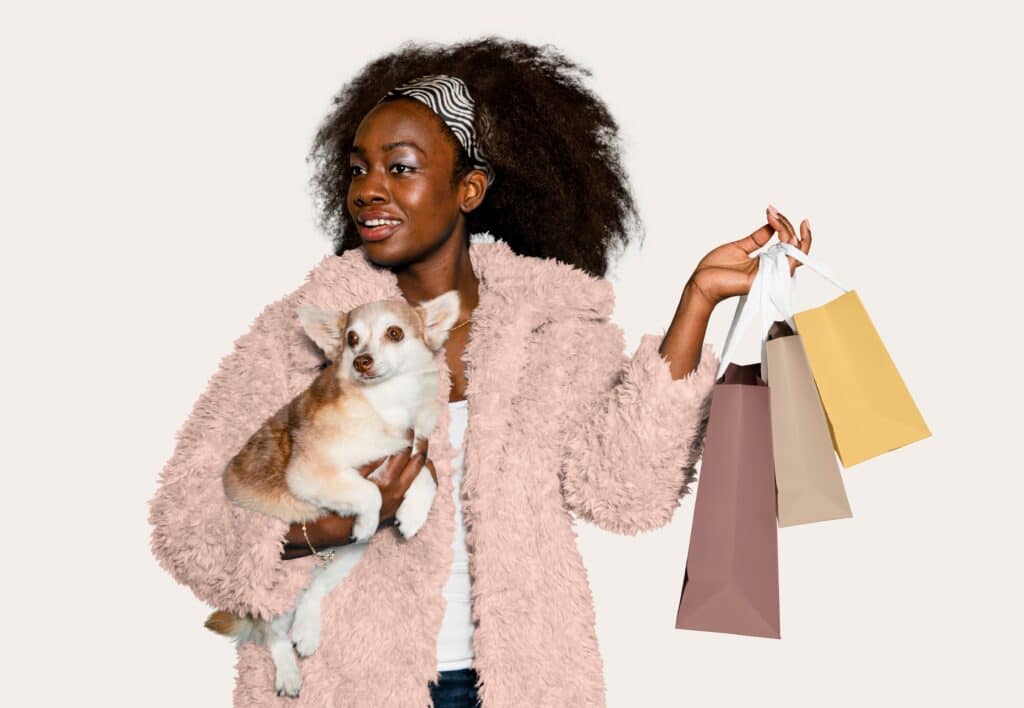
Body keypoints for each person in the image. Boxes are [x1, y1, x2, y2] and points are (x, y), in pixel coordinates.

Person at [149, 36, 812, 708]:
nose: (369, 191)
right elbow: (187, 521)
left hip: (520, 683)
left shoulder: (551, 334)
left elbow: (624, 493)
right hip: (337, 685)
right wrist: (323, 527)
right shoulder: (306, 335)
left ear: (469, 189)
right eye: (357, 171)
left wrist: (696, 299)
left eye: (399, 168)